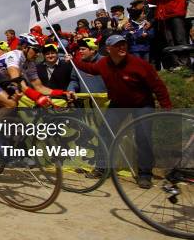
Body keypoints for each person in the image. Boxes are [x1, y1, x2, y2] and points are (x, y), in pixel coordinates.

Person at [72, 35, 172, 189]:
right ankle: (102, 168)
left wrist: (167, 108)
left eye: (124, 44)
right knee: (104, 133)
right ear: (108, 49)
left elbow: (158, 87)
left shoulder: (139, 64)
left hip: (142, 105)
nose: (122, 48)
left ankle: (145, 174)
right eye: (117, 45)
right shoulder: (103, 63)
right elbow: (90, 68)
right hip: (118, 104)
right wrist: (74, 59)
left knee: (143, 137)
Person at [148, 0, 189, 69]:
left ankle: (184, 63)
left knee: (180, 39)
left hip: (176, 14)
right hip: (163, 17)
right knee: (169, 41)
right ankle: (175, 64)